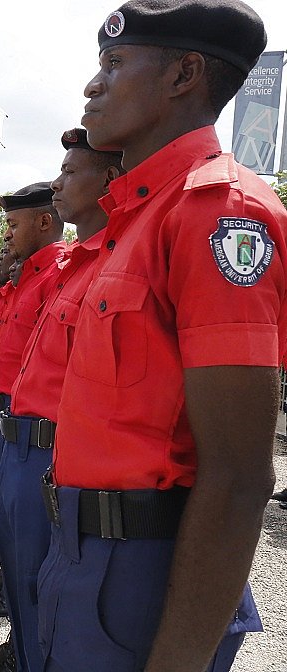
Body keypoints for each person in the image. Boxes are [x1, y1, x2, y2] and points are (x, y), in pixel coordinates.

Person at [40, 3, 282, 671]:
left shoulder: (218, 213)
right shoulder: (136, 217)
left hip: (147, 570)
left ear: (186, 75)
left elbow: (238, 476)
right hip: (84, 552)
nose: (94, 85)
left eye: (115, 64)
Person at [0, 128, 124, 672]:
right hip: (18, 432)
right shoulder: (38, 273)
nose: (58, 185)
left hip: (49, 442)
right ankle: (21, 651)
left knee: (35, 578)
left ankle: (27, 656)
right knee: (21, 566)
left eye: (12, 224)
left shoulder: (62, 269)